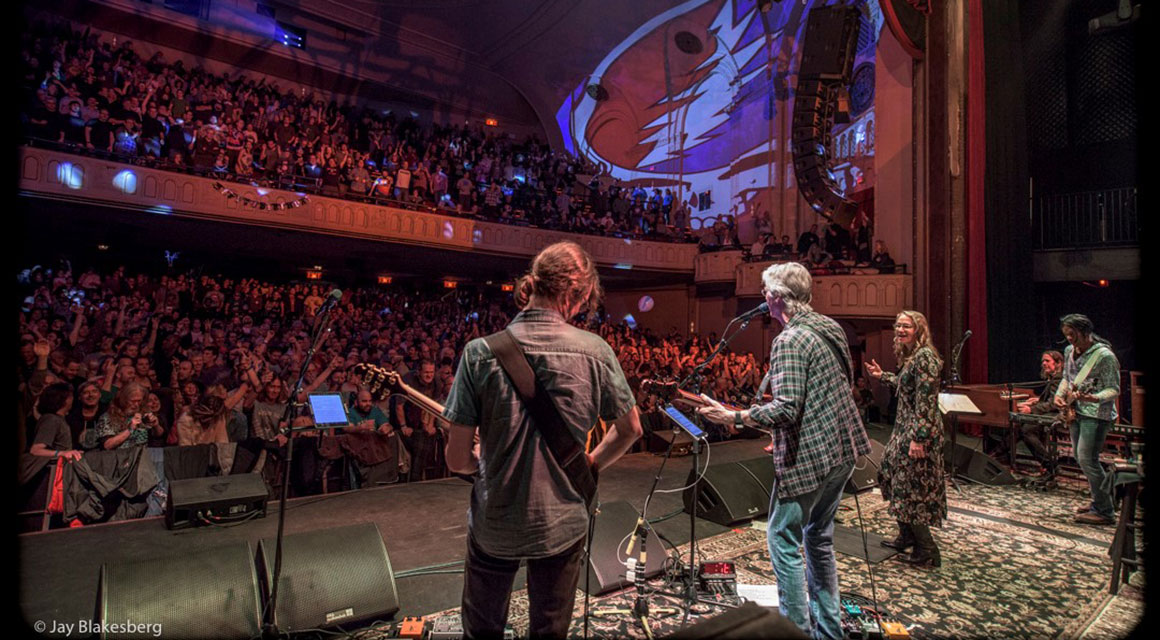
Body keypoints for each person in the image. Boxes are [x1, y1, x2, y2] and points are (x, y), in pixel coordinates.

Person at [441, 241, 642, 639]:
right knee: (549, 629)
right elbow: (631, 429)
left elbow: (456, 459)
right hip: (561, 521)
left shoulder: (479, 353)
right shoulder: (596, 352)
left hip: (495, 519)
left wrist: (481, 462)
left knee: (481, 629)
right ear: (578, 294)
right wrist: (590, 463)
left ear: (531, 285)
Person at [697, 262, 871, 639]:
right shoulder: (831, 327)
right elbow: (836, 388)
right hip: (842, 451)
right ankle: (829, 630)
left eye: (764, 291)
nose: (762, 297)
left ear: (775, 297)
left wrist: (735, 415)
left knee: (783, 540)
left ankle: (795, 631)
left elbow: (788, 407)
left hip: (811, 457)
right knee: (819, 538)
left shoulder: (790, 340)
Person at [864, 310, 946, 567]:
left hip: (917, 431)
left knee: (912, 488)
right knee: (890, 475)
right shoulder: (912, 357)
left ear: (918, 329)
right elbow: (904, 384)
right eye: (898, 326)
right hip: (903, 429)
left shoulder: (925, 358)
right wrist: (883, 377)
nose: (900, 330)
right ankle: (907, 535)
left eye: (906, 326)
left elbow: (926, 401)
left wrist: (919, 438)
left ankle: (928, 550)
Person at [1053, 314, 1120, 525]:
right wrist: (1058, 394)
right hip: (1076, 411)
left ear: (1085, 332)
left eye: (1073, 335)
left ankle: (1105, 510)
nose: (1069, 339)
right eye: (1066, 335)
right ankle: (1099, 501)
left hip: (1096, 414)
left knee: (1087, 459)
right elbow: (1068, 377)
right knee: (1081, 457)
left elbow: (1113, 389)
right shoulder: (1069, 351)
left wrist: (1095, 397)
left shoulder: (1104, 356)